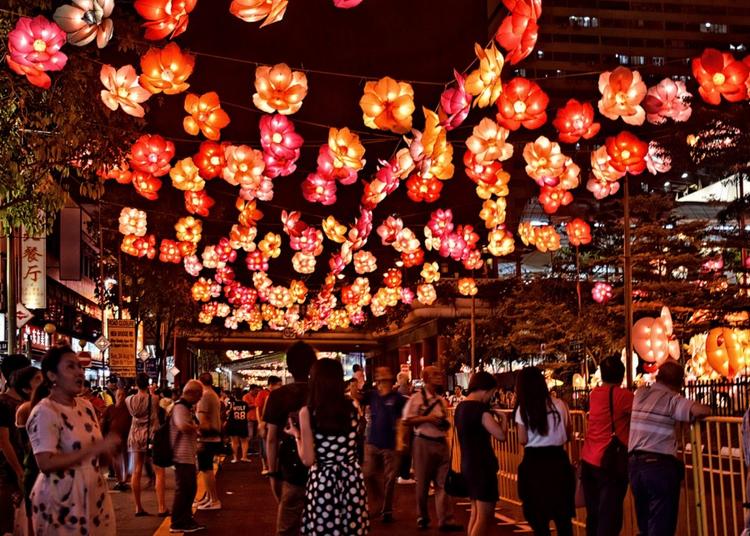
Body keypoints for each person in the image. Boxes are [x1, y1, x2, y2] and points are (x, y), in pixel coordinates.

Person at [26, 346, 119, 535]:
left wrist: (109, 452)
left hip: (94, 498)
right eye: (70, 367)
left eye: (80, 367)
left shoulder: (86, 407)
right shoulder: (45, 411)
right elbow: (45, 462)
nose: (79, 372)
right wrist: (92, 450)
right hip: (62, 504)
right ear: (52, 376)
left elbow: (98, 456)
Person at [286, 358, 369, 535]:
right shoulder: (353, 407)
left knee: (325, 528)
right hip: (351, 478)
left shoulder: (308, 412)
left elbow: (308, 459)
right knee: (352, 528)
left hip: (324, 480)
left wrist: (297, 436)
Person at [628, 360, 711, 536]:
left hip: (635, 465)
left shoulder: (640, 394)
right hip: (658, 466)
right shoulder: (672, 400)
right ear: (678, 383)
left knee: (645, 524)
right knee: (661, 525)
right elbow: (700, 410)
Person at [264, 341, 317, 536]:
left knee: (287, 529)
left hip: (291, 472)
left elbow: (271, 438)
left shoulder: (278, 396)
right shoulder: (321, 394)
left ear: (289, 366)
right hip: (321, 472)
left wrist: (272, 473)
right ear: (313, 365)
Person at [515, 366, 575, 536]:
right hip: (558, 461)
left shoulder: (523, 408)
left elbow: (522, 439)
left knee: (538, 519)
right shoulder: (560, 404)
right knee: (563, 518)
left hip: (534, 464)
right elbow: (568, 434)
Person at [402, 366, 462, 532]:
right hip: (423, 442)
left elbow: (443, 421)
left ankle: (446, 520)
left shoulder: (441, 400)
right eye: (435, 374)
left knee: (443, 483)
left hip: (441, 442)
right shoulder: (416, 399)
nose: (439, 377)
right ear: (426, 378)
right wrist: (427, 418)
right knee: (422, 483)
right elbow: (406, 420)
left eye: (439, 374)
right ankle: (423, 516)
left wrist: (443, 424)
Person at [580, 355, 634, 536]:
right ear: (622, 375)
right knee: (609, 515)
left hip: (588, 458)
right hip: (610, 462)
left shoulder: (595, 394)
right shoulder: (624, 396)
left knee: (594, 513)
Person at [454, 371, 507, 536]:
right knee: (485, 516)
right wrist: (503, 420)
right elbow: (501, 435)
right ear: (485, 389)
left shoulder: (460, 407)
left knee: (475, 513)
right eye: (492, 393)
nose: (491, 397)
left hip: (468, 464)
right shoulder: (480, 410)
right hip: (482, 467)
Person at [362, 366, 406, 523]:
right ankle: (376, 501)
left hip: (390, 443)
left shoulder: (397, 398)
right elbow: (356, 399)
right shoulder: (372, 395)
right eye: (379, 372)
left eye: (385, 372)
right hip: (372, 441)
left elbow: (401, 421)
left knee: (389, 479)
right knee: (368, 473)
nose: (381, 374)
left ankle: (386, 510)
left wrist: (400, 441)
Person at [126, 372, 167, 516]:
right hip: (151, 437)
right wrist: (152, 391)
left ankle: (138, 507)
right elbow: (160, 405)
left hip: (135, 436)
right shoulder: (154, 399)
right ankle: (161, 507)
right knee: (159, 471)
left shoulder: (128, 400)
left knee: (137, 470)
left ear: (136, 384)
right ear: (148, 383)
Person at [0, 354, 32, 534]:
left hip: (28, 468)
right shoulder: (3, 403)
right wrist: (20, 472)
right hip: (8, 473)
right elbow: (4, 441)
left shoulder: (29, 403)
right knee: (9, 525)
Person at [169, 379, 206, 534]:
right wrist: (196, 428)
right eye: (199, 395)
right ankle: (177, 522)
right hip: (181, 455)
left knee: (190, 488)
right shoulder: (180, 407)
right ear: (192, 393)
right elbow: (182, 425)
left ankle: (186, 519)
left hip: (187, 455)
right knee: (184, 489)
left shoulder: (186, 407)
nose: (200, 398)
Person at [12, 366, 43, 533]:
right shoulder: (25, 409)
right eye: (38, 379)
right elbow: (24, 445)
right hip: (35, 469)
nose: (44, 381)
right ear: (26, 388)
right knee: (34, 519)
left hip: (57, 471)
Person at [195, 372, 223, 510]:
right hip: (213, 436)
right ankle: (208, 498)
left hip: (207, 437)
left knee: (206, 469)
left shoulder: (205, 396)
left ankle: (214, 500)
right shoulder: (213, 394)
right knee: (206, 469)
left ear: (200, 382)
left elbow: (203, 420)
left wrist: (197, 431)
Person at [102, 386, 132, 492]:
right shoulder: (110, 409)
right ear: (115, 396)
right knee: (116, 461)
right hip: (113, 439)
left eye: (123, 395)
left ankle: (124, 480)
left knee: (126, 459)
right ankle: (120, 480)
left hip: (126, 439)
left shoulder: (129, 409)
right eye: (118, 395)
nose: (121, 397)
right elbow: (104, 423)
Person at [256, 375, 282, 474]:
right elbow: (258, 408)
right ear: (271, 385)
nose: (280, 386)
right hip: (265, 423)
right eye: (279, 384)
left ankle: (272, 467)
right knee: (264, 445)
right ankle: (265, 467)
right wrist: (260, 423)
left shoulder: (277, 394)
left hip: (274, 423)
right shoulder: (263, 394)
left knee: (272, 444)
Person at [227, 389, 250, 463]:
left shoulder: (231, 403)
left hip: (233, 424)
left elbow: (227, 412)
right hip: (243, 424)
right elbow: (247, 412)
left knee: (234, 442)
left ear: (234, 395)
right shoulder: (245, 404)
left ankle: (235, 458)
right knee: (244, 441)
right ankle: (244, 457)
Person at [243, 385, 260, 455]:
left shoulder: (257, 396)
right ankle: (248, 449)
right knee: (250, 435)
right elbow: (246, 406)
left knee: (255, 435)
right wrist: (255, 404)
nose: (257, 391)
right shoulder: (246, 396)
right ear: (251, 390)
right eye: (256, 390)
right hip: (250, 418)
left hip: (256, 418)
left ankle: (252, 448)